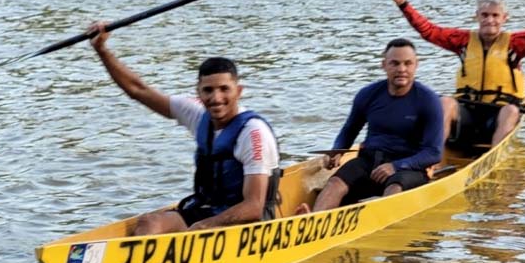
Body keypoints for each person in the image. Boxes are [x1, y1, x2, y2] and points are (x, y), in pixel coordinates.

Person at [88, 22, 282, 235]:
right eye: (208, 90)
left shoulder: (253, 133)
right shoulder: (196, 113)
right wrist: (102, 50)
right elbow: (138, 90)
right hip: (209, 212)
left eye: (224, 89)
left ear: (239, 91)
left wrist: (205, 226)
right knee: (149, 223)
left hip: (250, 225)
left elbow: (254, 207)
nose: (216, 98)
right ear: (198, 92)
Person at [390, 0, 525, 150]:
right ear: (477, 17)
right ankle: (433, 158)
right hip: (468, 113)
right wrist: (403, 5)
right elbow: (429, 31)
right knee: (446, 102)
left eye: (495, 15)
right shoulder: (462, 41)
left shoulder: (517, 43)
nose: (490, 20)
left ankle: (493, 155)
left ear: (504, 18)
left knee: (512, 111)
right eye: (485, 15)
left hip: (499, 116)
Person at [299, 38, 444, 213]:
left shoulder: (428, 100)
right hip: (370, 161)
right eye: (395, 63)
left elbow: (434, 153)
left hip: (408, 166)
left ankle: (380, 219)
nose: (402, 69)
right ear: (384, 65)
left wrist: (396, 167)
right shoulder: (368, 94)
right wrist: (337, 150)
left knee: (394, 188)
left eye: (408, 63)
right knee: (335, 182)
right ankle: (314, 223)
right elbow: (349, 130)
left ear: (416, 65)